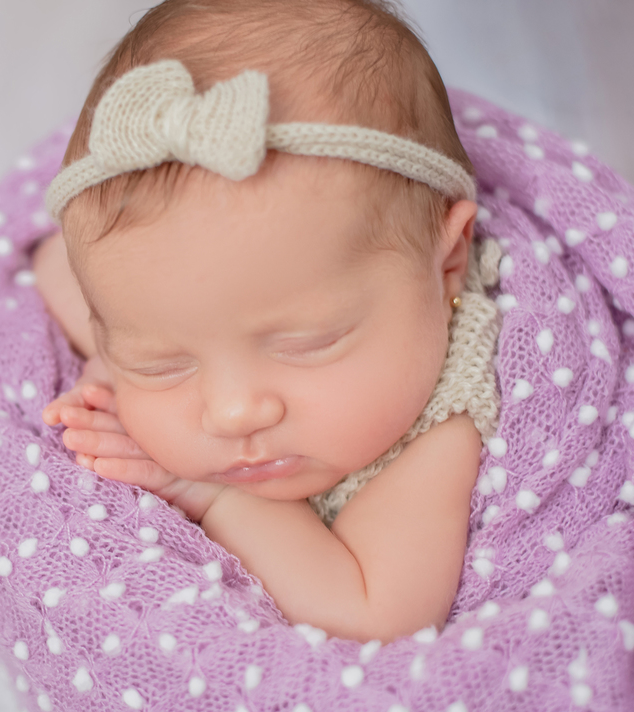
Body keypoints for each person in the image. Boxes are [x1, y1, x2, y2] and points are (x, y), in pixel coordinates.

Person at [33, 0, 502, 645]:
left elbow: (374, 611)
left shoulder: (436, 424)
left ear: (445, 265)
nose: (233, 413)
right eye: (162, 363)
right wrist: (104, 361)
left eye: (306, 344)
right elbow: (56, 266)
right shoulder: (171, 290)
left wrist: (208, 493)